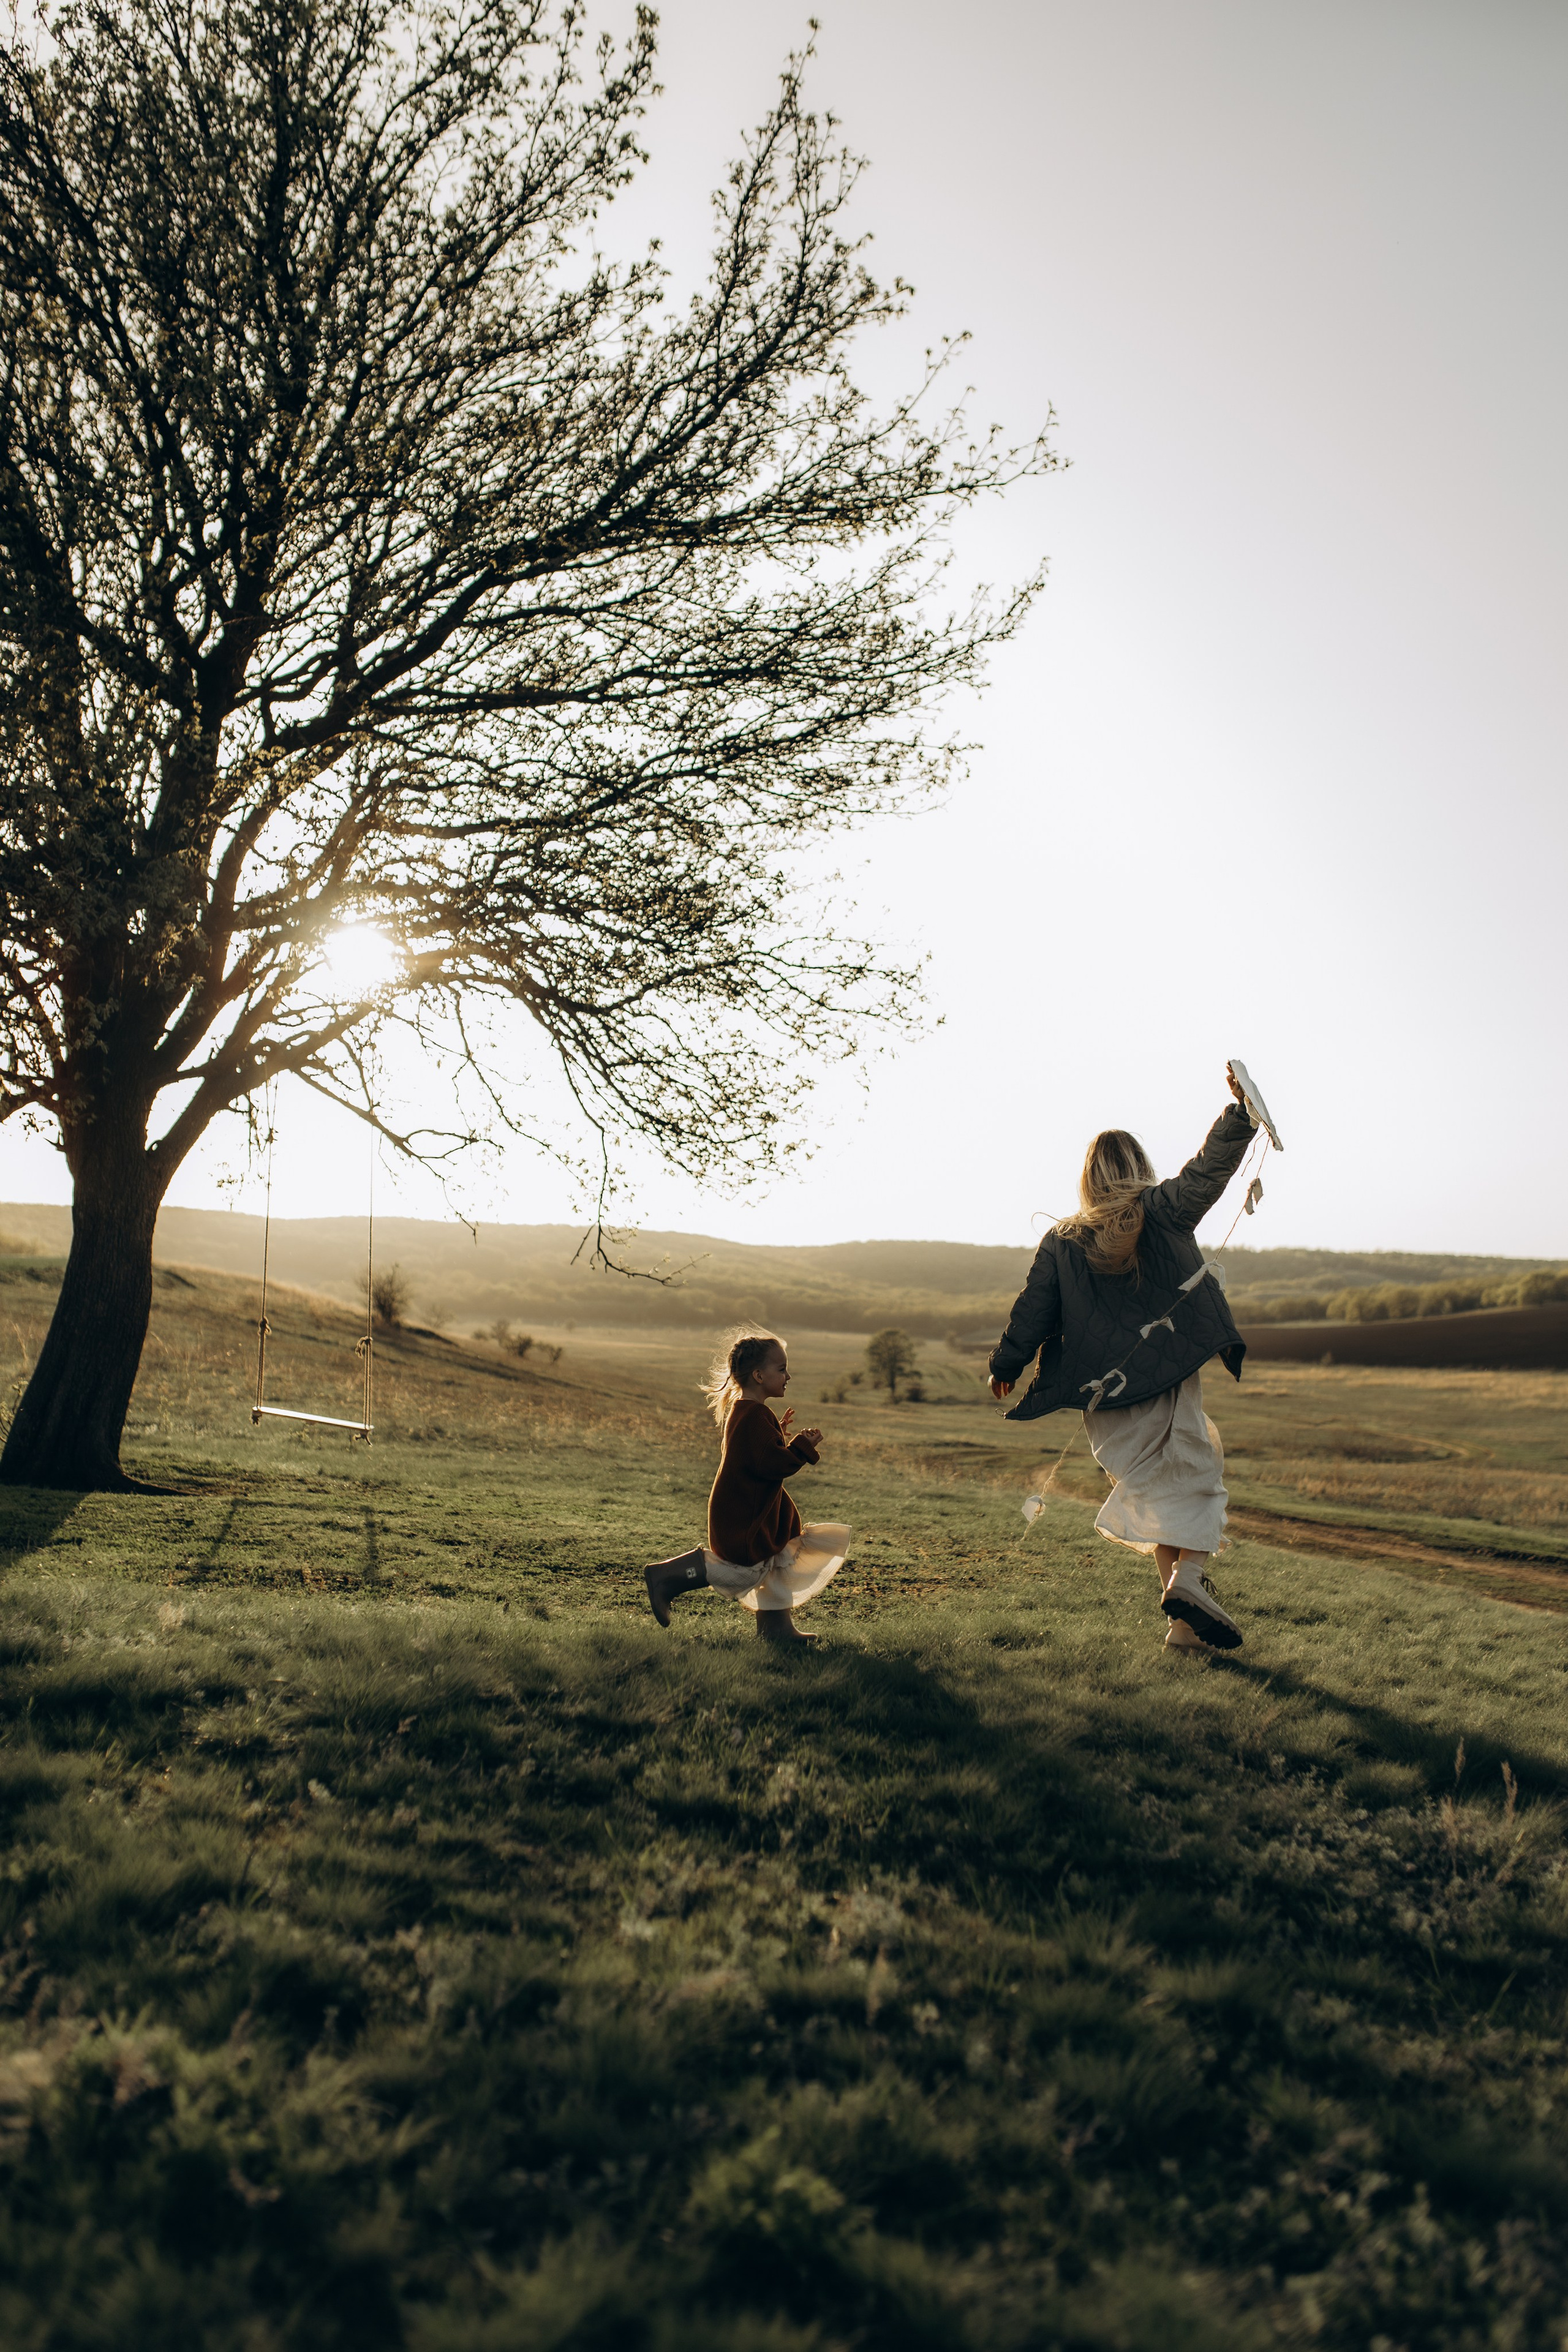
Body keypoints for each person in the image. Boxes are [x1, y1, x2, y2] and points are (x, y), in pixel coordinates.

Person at [988, 1069, 1259, 1653]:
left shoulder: (1062, 1240)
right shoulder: (1162, 1211)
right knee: (1199, 1488)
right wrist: (1239, 1117)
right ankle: (1187, 1581)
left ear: (1086, 1179)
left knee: (1164, 1503)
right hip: (1162, 1386)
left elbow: (1032, 1310)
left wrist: (1006, 1365)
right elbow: (1206, 1174)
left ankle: (1184, 1628)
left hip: (1102, 1404)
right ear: (1139, 1168)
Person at [643, 1332, 851, 1646]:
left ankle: (777, 1631)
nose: (788, 1376)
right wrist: (801, 1448)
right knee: (745, 1573)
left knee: (776, 1560)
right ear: (758, 1375)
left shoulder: (748, 1411)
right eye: (781, 1369)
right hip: (743, 1517)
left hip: (747, 1512)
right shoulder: (754, 1415)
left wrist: (777, 1434)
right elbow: (771, 1464)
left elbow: (756, 1453)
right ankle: (666, 1578)